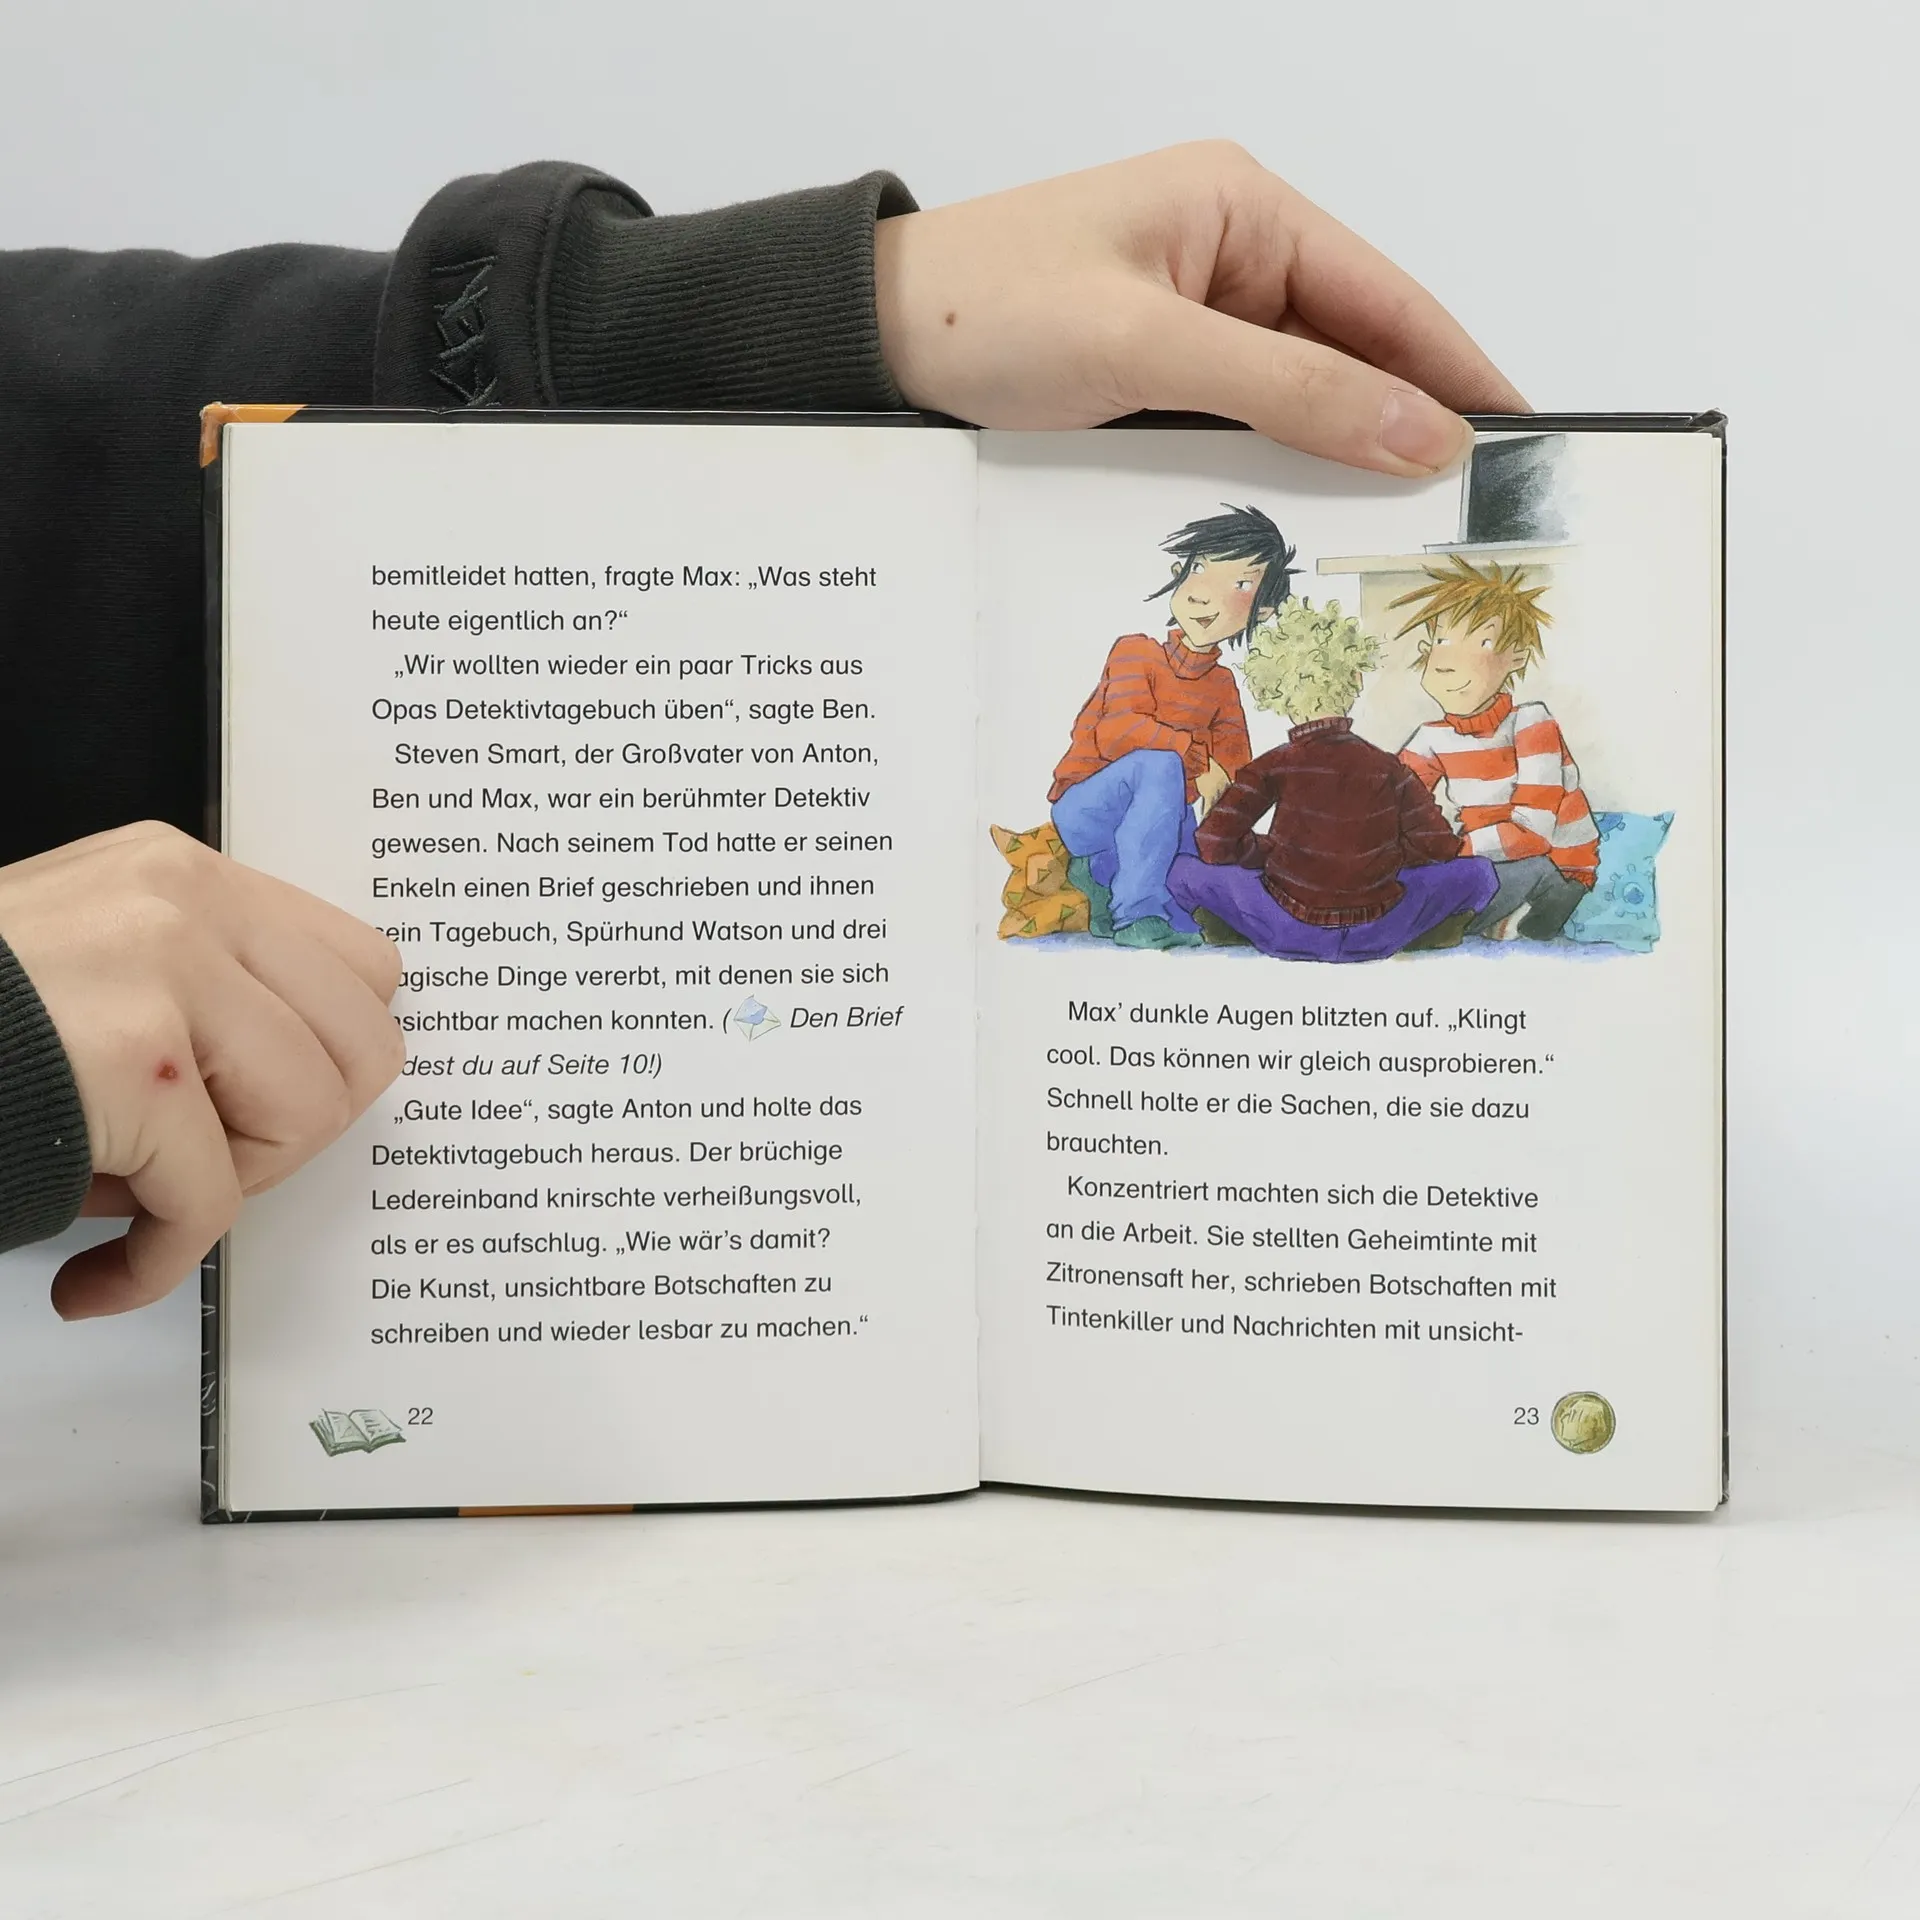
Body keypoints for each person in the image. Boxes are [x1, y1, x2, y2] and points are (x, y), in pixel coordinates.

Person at [0, 142, 1526, 1316]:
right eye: (1208, 588)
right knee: (1144, 788)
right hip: (1095, 804)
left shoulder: (1255, 703)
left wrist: (741, 319)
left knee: (1213, 818)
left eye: (1238, 602)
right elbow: (1125, 746)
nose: (1216, 613)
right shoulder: (1136, 655)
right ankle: (1149, 913)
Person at [1168, 597, 1496, 959]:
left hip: (1288, 927)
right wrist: (1383, 858)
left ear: (1278, 693)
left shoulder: (1274, 764)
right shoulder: (1389, 768)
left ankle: (1235, 929)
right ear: (1355, 679)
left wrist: (1268, 852)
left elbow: (1214, 841)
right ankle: (1428, 932)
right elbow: (1441, 847)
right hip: (1378, 930)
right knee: (1481, 873)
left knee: (1182, 870)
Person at [1047, 505, 1292, 950]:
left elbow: (1234, 769)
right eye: (1198, 569)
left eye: (1239, 584)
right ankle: (1135, 912)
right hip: (1085, 811)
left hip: (1159, 823)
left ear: (1263, 611)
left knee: (1191, 884)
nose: (1203, 594)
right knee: (1161, 767)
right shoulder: (1136, 652)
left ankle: (1106, 878)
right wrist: (1198, 761)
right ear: (1179, 574)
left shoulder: (1222, 684)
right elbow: (1119, 733)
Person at [1392, 557, 1597, 941]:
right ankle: (1493, 922)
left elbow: (1532, 835)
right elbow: (1390, 803)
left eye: (1482, 642)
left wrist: (1448, 850)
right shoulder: (1431, 737)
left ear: (1516, 656)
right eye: (1441, 641)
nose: (1448, 663)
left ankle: (1529, 912)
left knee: (1516, 874)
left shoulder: (1532, 723)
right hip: (1480, 863)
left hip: (1551, 867)